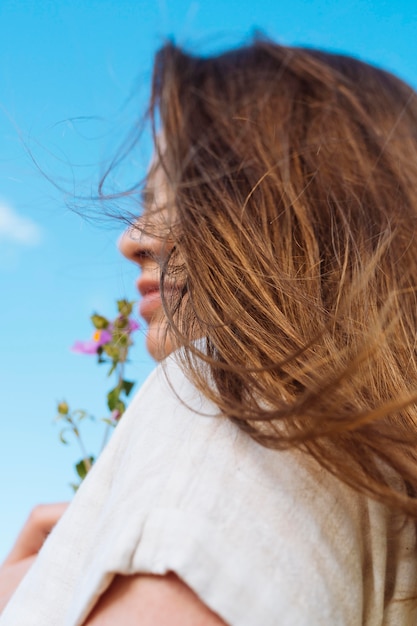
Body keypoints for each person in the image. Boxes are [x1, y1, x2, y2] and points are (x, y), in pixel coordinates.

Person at [1, 38, 417, 624]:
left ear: (289, 205)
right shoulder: (368, 460)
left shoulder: (232, 395)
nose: (132, 239)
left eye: (176, 197)